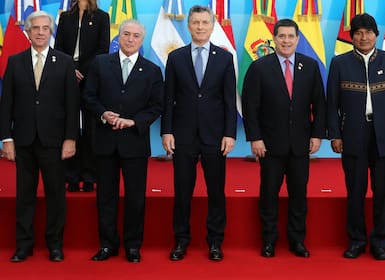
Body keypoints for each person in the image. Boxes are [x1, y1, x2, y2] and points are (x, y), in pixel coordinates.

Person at [327, 13, 385, 261]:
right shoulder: (339, 63)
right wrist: (335, 135)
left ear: (376, 35)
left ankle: (380, 242)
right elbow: (332, 104)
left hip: (383, 135)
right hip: (352, 135)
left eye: (368, 32)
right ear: (352, 36)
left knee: (382, 191)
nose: (364, 37)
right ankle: (356, 241)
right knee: (355, 191)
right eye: (359, 33)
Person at [242, 18, 326, 258]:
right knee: (269, 194)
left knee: (299, 194)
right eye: (282, 36)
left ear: (297, 39)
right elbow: (251, 107)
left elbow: (319, 103)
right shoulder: (259, 67)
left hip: (301, 144)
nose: (286, 40)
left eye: (291, 36)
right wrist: (255, 138)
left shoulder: (310, 66)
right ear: (275, 39)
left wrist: (317, 135)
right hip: (269, 145)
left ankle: (297, 241)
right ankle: (268, 241)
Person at [0, 11, 80, 262]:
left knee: (56, 194)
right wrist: (7, 138)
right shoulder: (14, 62)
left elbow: (72, 104)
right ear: (28, 31)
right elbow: (6, 105)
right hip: (23, 141)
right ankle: (24, 245)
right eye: (36, 28)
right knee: (25, 195)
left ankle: (55, 244)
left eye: (46, 28)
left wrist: (70, 138)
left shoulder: (65, 62)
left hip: (55, 142)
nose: (41, 32)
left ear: (51, 31)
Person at [84, 19, 164, 263]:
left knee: (135, 197)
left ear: (142, 40)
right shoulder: (100, 63)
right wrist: (102, 113)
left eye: (136, 36)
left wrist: (134, 122)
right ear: (118, 37)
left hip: (135, 142)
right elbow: (88, 96)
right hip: (105, 140)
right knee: (105, 196)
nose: (130, 39)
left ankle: (132, 246)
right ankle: (107, 245)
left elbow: (156, 106)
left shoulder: (152, 70)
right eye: (126, 34)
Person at [161, 5, 236, 261]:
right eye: (196, 23)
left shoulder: (225, 58)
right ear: (189, 25)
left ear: (212, 25)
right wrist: (166, 131)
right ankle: (181, 240)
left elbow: (228, 100)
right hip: (182, 136)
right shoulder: (176, 57)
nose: (200, 27)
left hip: (215, 137)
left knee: (216, 190)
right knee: (182, 190)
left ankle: (215, 241)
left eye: (205, 22)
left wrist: (230, 133)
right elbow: (168, 97)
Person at [55, 0, 110, 192]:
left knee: (90, 128)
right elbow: (58, 46)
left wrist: (83, 71)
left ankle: (89, 175)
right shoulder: (65, 17)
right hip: (66, 77)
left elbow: (102, 50)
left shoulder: (102, 17)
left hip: (91, 78)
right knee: (69, 125)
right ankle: (70, 175)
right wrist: (70, 69)